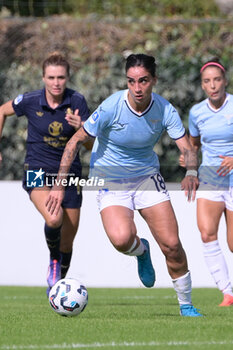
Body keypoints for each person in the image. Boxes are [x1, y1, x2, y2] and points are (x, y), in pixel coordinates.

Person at [46, 53, 202, 317]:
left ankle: (186, 305)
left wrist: (191, 170)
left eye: (143, 81)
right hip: (111, 180)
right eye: (131, 81)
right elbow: (74, 142)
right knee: (121, 239)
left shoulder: (165, 110)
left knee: (172, 245)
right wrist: (60, 185)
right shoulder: (111, 107)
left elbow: (186, 145)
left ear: (154, 79)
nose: (137, 88)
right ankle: (142, 251)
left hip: (146, 179)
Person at [0, 52, 90, 295]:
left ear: (68, 77)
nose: (56, 82)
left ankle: (59, 287)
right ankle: (53, 260)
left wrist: (81, 129)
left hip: (70, 174)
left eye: (61, 77)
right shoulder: (29, 100)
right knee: (53, 218)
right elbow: (1, 111)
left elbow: (91, 145)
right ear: (43, 78)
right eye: (51, 77)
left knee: (67, 241)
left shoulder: (77, 102)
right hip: (37, 170)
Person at [180, 58, 233, 306]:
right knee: (207, 233)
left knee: (232, 244)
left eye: (217, 80)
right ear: (202, 85)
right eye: (207, 81)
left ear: (225, 81)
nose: (213, 85)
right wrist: (189, 163)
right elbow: (195, 145)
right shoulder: (197, 112)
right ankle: (228, 292)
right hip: (210, 179)